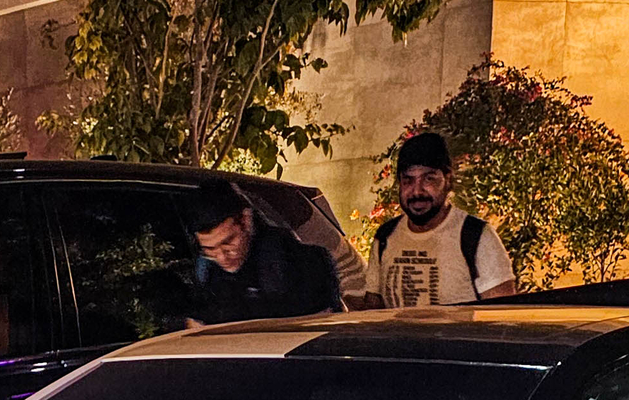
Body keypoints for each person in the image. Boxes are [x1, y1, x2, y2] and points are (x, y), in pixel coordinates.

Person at [367, 132, 518, 308]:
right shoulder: (385, 237)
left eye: (428, 179)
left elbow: (501, 315)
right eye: (408, 180)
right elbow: (372, 311)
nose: (417, 191)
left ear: (448, 179)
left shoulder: (477, 237)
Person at [183, 183, 345, 326]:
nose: (222, 257)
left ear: (246, 220)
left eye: (228, 242)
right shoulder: (208, 274)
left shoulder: (298, 262)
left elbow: (325, 327)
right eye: (210, 249)